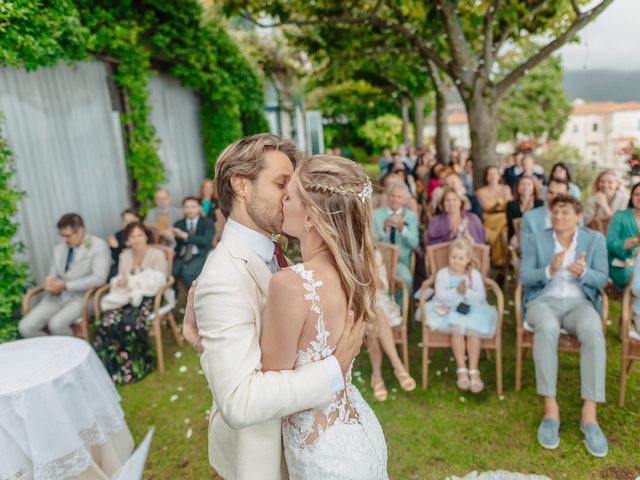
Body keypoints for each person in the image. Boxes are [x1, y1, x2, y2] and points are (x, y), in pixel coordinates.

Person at [183, 134, 369, 480]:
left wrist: (204, 344)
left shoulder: (281, 254)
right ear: (241, 185)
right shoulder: (223, 276)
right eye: (281, 183)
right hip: (264, 455)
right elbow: (239, 401)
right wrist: (333, 369)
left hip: (313, 443)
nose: (288, 196)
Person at [261, 154, 388, 478]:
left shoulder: (290, 285)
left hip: (324, 454)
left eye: (288, 195)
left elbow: (268, 390)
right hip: (357, 431)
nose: (282, 201)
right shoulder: (354, 274)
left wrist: (202, 339)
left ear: (310, 218)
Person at [519, 195, 608, 457]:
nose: (558, 216)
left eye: (565, 212)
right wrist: (549, 269)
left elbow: (603, 279)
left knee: (593, 330)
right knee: (545, 327)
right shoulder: (537, 239)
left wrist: (585, 272)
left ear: (578, 215)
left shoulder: (595, 240)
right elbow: (524, 275)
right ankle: (550, 409)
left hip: (579, 303)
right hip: (543, 301)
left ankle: (589, 415)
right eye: (555, 212)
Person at [93, 222, 168, 384]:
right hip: (126, 296)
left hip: (150, 296)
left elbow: (160, 281)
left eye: (140, 235)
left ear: (146, 236)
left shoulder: (157, 254)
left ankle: (138, 366)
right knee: (106, 322)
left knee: (130, 322)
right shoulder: (124, 256)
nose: (136, 239)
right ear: (127, 239)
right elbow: (120, 277)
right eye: (132, 236)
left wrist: (135, 282)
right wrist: (120, 282)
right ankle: (112, 368)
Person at [18, 214, 110, 337]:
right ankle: (52, 352)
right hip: (55, 298)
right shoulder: (59, 249)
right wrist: (49, 282)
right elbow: (53, 274)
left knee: (56, 325)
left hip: (83, 298)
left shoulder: (98, 246)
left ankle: (73, 353)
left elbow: (99, 278)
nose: (65, 240)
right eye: (62, 236)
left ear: (81, 230)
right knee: (25, 327)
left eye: (68, 236)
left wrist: (66, 285)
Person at [424, 239, 497, 393]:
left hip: (471, 310)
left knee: (473, 331)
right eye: (453, 257)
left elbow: (481, 297)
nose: (456, 261)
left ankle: (473, 370)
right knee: (456, 328)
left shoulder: (474, 275)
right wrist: (456, 291)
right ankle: (461, 369)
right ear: (449, 256)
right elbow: (441, 295)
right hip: (448, 310)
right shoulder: (443, 274)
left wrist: (466, 292)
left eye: (461, 258)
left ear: (468, 260)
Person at [368, 248, 417, 401]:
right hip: (355, 302)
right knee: (371, 316)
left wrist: (369, 269)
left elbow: (381, 286)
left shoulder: (375, 253)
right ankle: (398, 366)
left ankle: (377, 375)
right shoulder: (346, 252)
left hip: (377, 299)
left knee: (374, 317)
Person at [373, 182, 420, 291]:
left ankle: (400, 307)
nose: (395, 199)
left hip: (400, 261)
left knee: (406, 280)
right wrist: (384, 229)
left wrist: (403, 229)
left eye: (399, 197)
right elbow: (370, 240)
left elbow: (414, 243)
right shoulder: (376, 214)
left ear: (404, 200)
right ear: (388, 197)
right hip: (379, 260)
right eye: (392, 196)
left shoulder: (411, 216)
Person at [171, 196, 214, 289]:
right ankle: (173, 298)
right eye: (186, 207)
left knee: (188, 273)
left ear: (199, 208)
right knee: (172, 273)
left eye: (193, 207)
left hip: (199, 254)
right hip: (182, 255)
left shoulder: (207, 222)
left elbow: (206, 241)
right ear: (183, 209)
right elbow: (176, 245)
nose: (190, 210)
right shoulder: (178, 224)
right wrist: (171, 239)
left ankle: (195, 298)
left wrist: (186, 236)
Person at [520, 178, 570, 254]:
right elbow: (525, 249)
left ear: (567, 195)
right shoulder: (529, 217)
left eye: (559, 194)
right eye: (551, 192)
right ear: (546, 193)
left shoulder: (575, 218)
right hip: (541, 262)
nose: (554, 197)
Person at [606, 182, 640, 291]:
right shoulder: (620, 216)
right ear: (631, 197)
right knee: (632, 275)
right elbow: (609, 243)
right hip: (622, 265)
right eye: (636, 194)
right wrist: (624, 244)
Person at [475, 166, 512, 267]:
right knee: (502, 222)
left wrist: (497, 205)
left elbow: (508, 205)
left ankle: (505, 260)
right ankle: (500, 261)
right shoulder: (480, 191)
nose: (492, 176)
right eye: (490, 174)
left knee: (504, 227)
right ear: (486, 177)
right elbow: (486, 208)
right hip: (489, 219)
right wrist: (498, 204)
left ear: (499, 176)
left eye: (495, 173)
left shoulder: (505, 188)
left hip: (504, 217)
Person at [506, 175, 543, 248]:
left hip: (536, 233)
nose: (525, 187)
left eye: (529, 184)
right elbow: (511, 224)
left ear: (533, 188)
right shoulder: (511, 205)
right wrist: (527, 210)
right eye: (522, 184)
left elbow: (540, 223)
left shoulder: (540, 203)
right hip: (517, 233)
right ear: (517, 187)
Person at [107, 208, 141, 279]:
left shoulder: (143, 233)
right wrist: (114, 247)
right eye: (125, 221)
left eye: (131, 221)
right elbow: (116, 258)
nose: (128, 224)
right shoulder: (119, 235)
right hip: (123, 264)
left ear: (137, 220)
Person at [199, 178, 226, 247]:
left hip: (213, 228)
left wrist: (218, 233)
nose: (208, 189)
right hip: (200, 228)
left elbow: (219, 219)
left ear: (213, 189)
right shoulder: (197, 201)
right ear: (202, 188)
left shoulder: (216, 202)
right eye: (206, 187)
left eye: (210, 187)